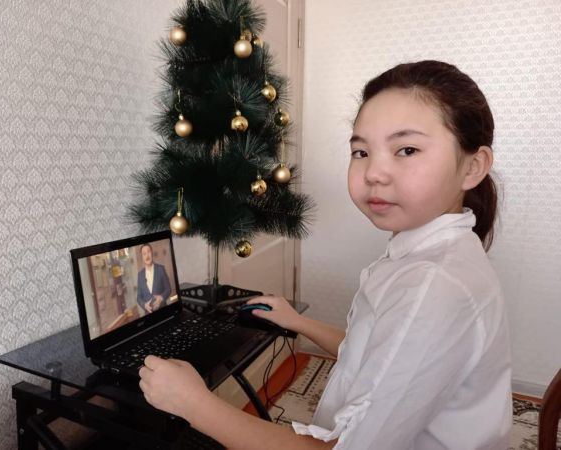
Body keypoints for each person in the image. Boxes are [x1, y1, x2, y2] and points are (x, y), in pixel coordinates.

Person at [138, 60, 512, 449]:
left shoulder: (433, 286)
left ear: (473, 166)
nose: (374, 173)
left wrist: (193, 404)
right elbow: (373, 356)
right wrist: (297, 322)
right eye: (361, 152)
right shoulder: (428, 256)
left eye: (406, 149)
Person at [136, 243, 171, 314]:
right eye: (144, 254)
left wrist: (161, 298)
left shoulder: (161, 269)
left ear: (152, 253)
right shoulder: (140, 275)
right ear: (142, 257)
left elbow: (168, 289)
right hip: (149, 314)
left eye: (148, 252)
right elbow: (139, 297)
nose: (147, 256)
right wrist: (144, 305)